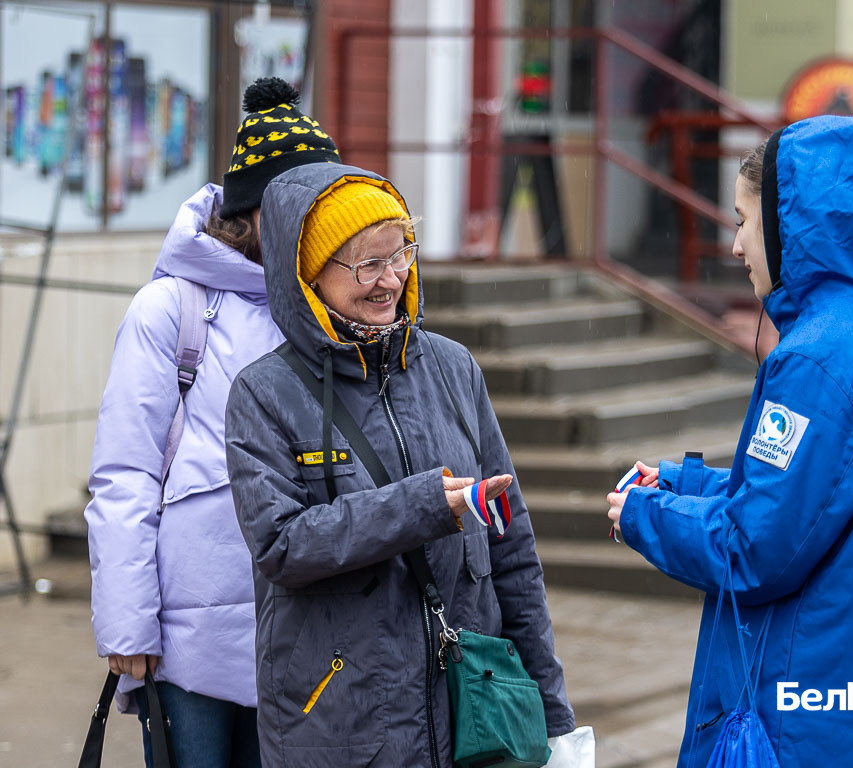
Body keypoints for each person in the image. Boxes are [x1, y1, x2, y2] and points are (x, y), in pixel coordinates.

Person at [607, 115, 853, 767]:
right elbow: (812, 500)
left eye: (741, 220)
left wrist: (645, 513)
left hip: (804, 724)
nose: (735, 246)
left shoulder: (816, 361)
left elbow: (752, 548)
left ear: (792, 224)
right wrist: (685, 482)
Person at [223, 161, 576, 766]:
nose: (389, 279)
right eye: (366, 264)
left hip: (473, 715)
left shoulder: (452, 367)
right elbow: (281, 544)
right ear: (308, 274)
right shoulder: (263, 393)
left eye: (400, 255)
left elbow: (512, 549)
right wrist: (423, 506)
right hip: (344, 724)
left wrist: (551, 708)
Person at [85, 77, 340, 767]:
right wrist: (127, 623)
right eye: (310, 207)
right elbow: (125, 471)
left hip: (303, 633)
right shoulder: (171, 309)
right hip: (185, 640)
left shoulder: (328, 308)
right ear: (260, 212)